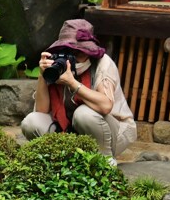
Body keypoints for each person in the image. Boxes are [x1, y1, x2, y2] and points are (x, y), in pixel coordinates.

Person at [21, 19, 136, 162]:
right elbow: (42, 110)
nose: (74, 58)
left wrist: (72, 83)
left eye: (79, 52)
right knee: (31, 121)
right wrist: (43, 75)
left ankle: (103, 161)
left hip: (114, 131)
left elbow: (105, 106)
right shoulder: (57, 62)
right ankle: (59, 161)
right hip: (70, 129)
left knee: (83, 114)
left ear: (89, 51)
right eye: (69, 51)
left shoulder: (102, 63)